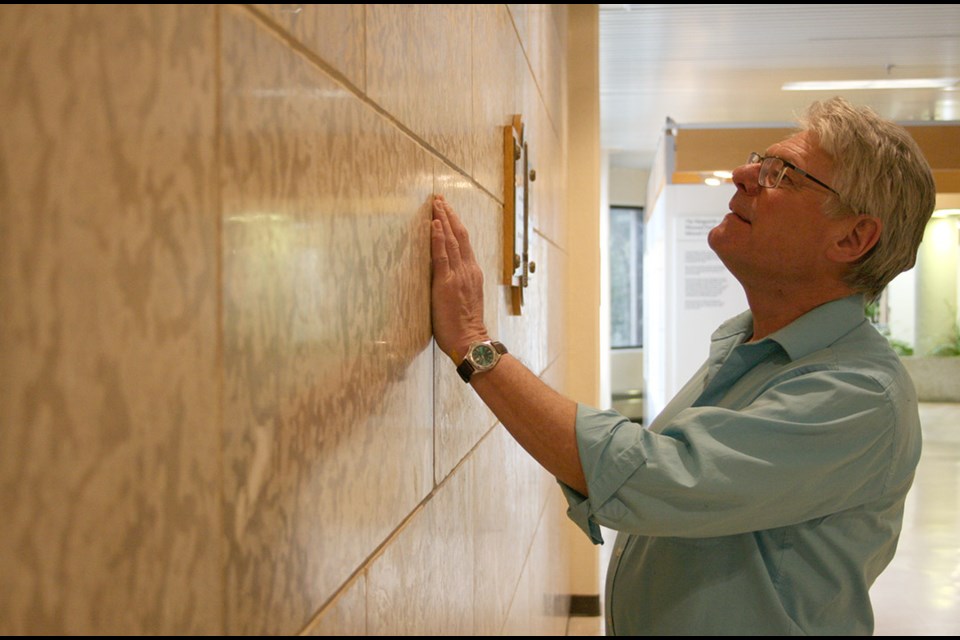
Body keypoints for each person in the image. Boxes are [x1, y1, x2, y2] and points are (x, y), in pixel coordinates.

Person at [429, 97, 936, 635]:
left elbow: (654, 479)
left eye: (782, 174)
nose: (742, 176)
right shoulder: (752, 346)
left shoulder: (859, 394)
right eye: (759, 160)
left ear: (852, 238)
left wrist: (474, 344)